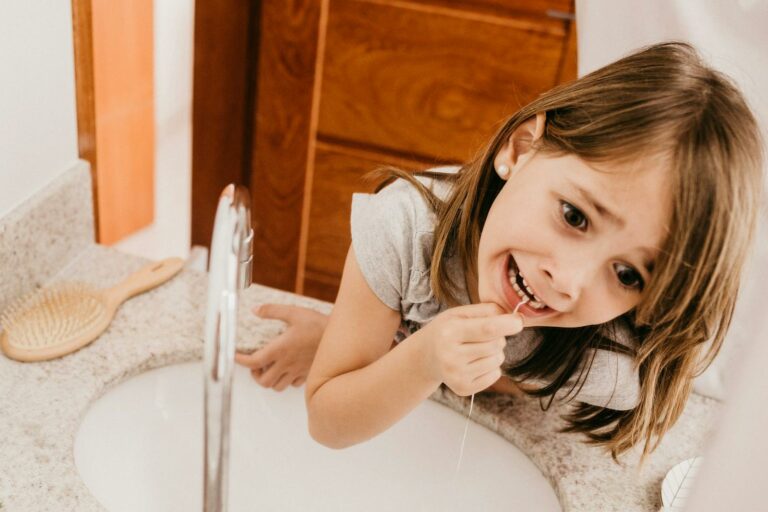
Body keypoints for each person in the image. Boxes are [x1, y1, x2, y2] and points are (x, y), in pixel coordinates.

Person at [235, 42, 764, 464]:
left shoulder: (616, 363)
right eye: (575, 217)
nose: (568, 281)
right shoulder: (406, 229)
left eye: (628, 273)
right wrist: (413, 357)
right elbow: (327, 421)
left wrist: (410, 360)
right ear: (521, 149)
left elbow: (515, 381)